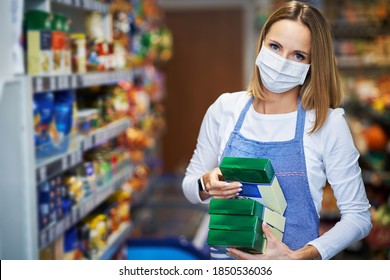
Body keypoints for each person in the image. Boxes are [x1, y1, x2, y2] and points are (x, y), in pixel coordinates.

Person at [182, 0, 372, 260]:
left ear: (312, 65)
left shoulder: (327, 123)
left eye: (298, 55)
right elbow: (189, 186)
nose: (282, 62)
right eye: (275, 47)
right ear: (261, 44)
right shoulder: (225, 108)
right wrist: (205, 184)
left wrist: (299, 258)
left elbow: (359, 217)